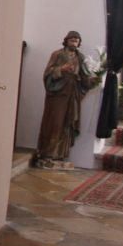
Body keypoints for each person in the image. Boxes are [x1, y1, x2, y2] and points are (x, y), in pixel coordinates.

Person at [33, 31, 98, 168]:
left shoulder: (80, 57)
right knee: (55, 123)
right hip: (57, 95)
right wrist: (62, 69)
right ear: (66, 40)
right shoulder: (57, 54)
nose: (74, 42)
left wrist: (95, 79)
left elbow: (85, 78)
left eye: (76, 40)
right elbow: (47, 74)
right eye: (72, 39)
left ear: (79, 43)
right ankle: (47, 154)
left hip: (72, 95)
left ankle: (60, 155)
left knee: (67, 124)